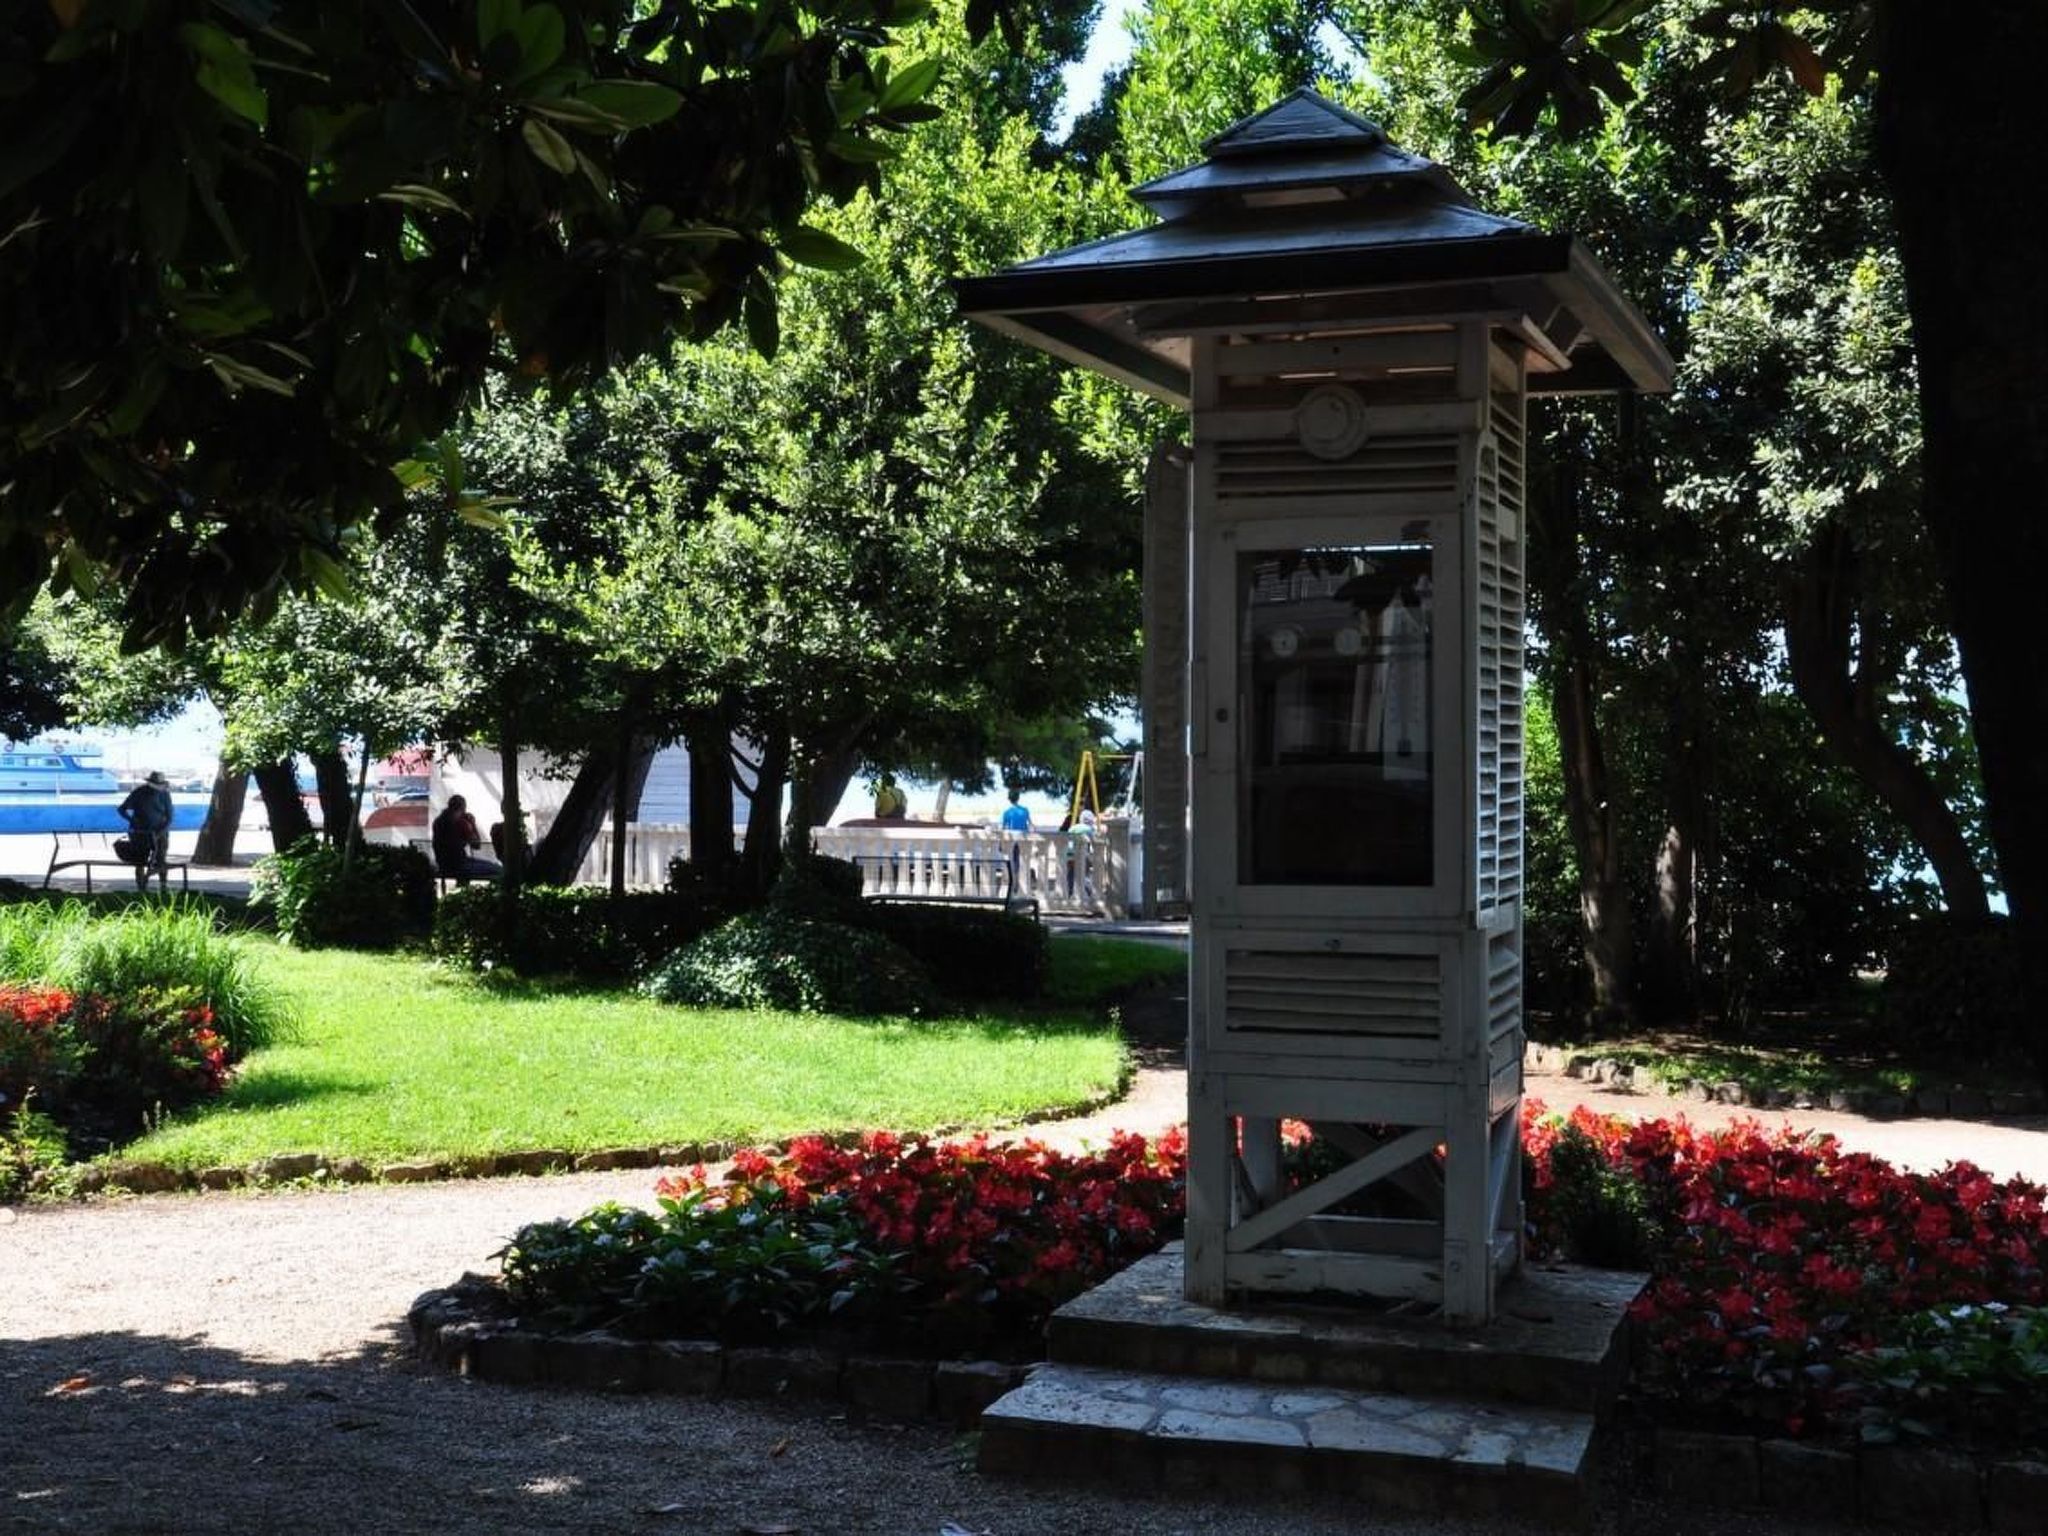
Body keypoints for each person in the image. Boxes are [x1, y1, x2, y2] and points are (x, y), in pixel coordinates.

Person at [117, 770, 173, 890]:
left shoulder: (165, 794)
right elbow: (121, 809)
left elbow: (170, 817)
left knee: (161, 860)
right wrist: (132, 821)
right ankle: (141, 887)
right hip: (140, 833)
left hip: (160, 832)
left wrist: (161, 832)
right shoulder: (139, 792)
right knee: (140, 861)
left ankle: (163, 886)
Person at [431, 794, 501, 885]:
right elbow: (476, 845)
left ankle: (462, 887)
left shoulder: (438, 821)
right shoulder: (461, 823)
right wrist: (472, 823)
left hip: (443, 864)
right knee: (497, 869)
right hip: (460, 865)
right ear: (463, 808)